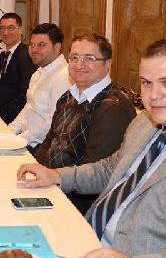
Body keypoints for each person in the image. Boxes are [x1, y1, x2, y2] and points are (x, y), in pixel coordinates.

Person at [18, 38, 166, 257]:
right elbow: (110, 169)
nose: (153, 95)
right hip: (85, 237)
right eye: (147, 83)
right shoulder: (146, 121)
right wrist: (56, 176)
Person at [33, 33, 136, 213]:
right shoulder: (69, 96)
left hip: (75, 204)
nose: (79, 64)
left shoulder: (113, 108)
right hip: (50, 185)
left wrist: (49, 188)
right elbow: (49, 141)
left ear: (107, 64)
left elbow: (93, 177)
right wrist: (36, 171)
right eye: (74, 57)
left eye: (89, 58)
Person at [8, 23, 72, 150]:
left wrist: (20, 139)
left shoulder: (64, 76)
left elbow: (53, 121)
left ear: (57, 47)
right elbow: (28, 108)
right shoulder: (38, 72)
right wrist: (9, 131)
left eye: (41, 45)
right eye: (32, 44)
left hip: (43, 148)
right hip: (27, 141)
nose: (34, 50)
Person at [0, 13, 37, 124]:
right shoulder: (1, 57)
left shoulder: (26, 56)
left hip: (13, 120)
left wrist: (1, 119)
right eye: (2, 28)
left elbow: (24, 95)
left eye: (10, 28)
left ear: (21, 30)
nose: (5, 32)